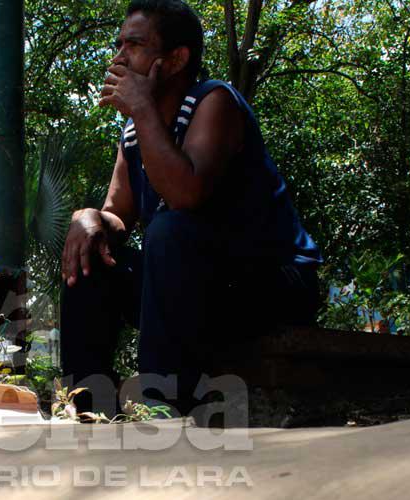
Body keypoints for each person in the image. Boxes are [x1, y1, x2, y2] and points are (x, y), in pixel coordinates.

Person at [59, 0, 321, 416]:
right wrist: (87, 218)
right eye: (119, 44)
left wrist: (142, 109)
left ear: (176, 59)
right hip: (196, 286)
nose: (119, 56)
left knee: (169, 229)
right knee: (91, 249)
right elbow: (118, 216)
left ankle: (165, 407)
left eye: (135, 44)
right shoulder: (133, 133)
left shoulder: (214, 102)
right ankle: (88, 404)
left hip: (272, 283)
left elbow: (187, 194)